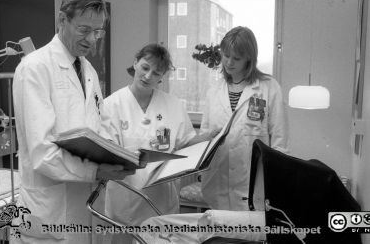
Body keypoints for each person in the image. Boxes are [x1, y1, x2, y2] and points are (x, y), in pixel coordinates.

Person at [12, 0, 134, 243]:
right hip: (52, 210)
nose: (92, 39)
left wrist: (118, 154)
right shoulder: (35, 68)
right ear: (62, 20)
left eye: (98, 32)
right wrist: (95, 171)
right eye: (84, 29)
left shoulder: (87, 69)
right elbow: (41, 152)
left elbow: (99, 125)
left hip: (86, 204)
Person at [103, 43, 215, 243]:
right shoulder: (112, 104)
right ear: (135, 63)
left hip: (161, 200)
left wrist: (209, 138)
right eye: (145, 68)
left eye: (156, 73)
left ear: (161, 77)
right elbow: (107, 150)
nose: (148, 76)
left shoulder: (173, 105)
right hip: (125, 198)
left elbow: (186, 143)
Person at [200, 26, 289, 211]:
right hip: (218, 184)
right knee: (221, 237)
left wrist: (277, 178)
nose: (229, 62)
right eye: (225, 55)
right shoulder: (214, 91)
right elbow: (204, 137)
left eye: (236, 58)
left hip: (254, 183)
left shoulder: (268, 87)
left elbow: (279, 138)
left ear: (249, 57)